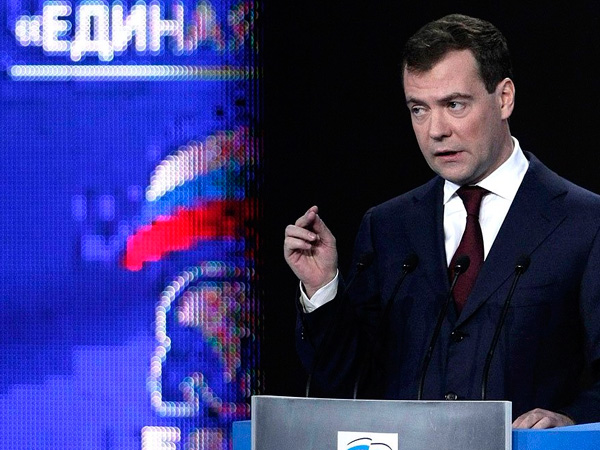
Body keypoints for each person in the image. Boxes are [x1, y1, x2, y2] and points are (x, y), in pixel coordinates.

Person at [283, 13, 600, 429]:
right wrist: (323, 288)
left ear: (504, 98)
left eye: (454, 105)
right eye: (419, 109)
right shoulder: (388, 226)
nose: (435, 130)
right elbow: (346, 381)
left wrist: (571, 422)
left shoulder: (584, 222)